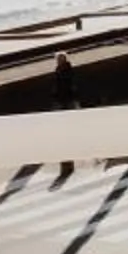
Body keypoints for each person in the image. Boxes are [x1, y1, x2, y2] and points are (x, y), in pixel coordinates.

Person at [52, 49, 80, 184]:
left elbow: (70, 84)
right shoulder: (58, 69)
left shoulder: (68, 70)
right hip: (62, 98)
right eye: (58, 59)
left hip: (68, 97)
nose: (58, 61)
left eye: (60, 59)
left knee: (70, 117)